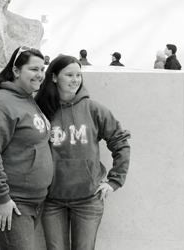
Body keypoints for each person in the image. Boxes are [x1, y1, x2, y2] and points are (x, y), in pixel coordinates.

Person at [35, 55, 131, 250]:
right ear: (54, 77)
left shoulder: (94, 109)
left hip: (88, 199)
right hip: (51, 199)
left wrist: (114, 181)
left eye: (78, 75)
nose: (75, 80)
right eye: (69, 75)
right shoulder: (40, 110)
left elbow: (120, 142)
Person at [0, 46, 53, 250]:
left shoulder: (28, 100)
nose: (40, 75)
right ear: (16, 71)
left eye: (42, 69)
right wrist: (2, 198)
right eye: (33, 69)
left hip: (34, 200)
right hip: (14, 201)